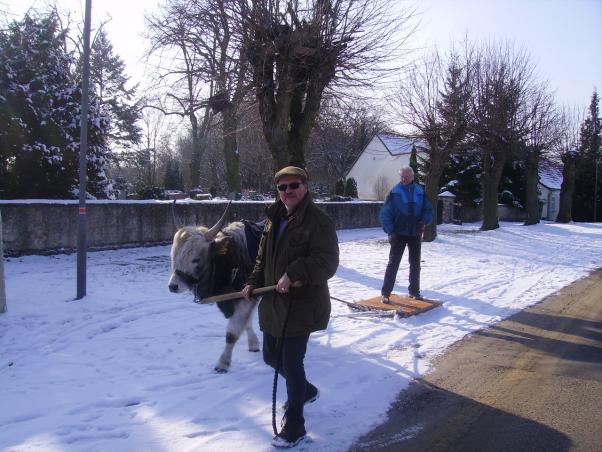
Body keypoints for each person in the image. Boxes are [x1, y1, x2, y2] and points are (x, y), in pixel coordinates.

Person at [242, 166, 339, 448]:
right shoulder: (273, 219)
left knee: (291, 363)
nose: (288, 191)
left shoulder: (319, 221)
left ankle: (295, 426)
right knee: (272, 358)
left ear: (305, 187)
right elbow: (261, 261)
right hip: (273, 305)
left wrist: (294, 273)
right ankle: (306, 391)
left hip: (301, 306)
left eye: (294, 185)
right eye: (282, 187)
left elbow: (327, 261)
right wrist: (251, 281)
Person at [380, 166, 433, 303]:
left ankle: (414, 291)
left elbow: (428, 209)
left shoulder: (420, 192)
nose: (404, 179)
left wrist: (424, 221)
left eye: (407, 176)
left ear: (413, 177)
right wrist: (390, 230)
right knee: (393, 264)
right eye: (402, 176)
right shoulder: (394, 192)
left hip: (415, 233)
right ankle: (386, 293)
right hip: (398, 233)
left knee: (415, 264)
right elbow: (385, 213)